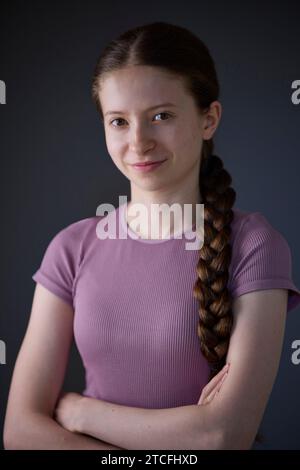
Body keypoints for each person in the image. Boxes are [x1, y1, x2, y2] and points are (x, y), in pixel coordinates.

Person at [4, 21, 300, 450]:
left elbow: (222, 435)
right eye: (119, 121)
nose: (138, 142)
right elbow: (20, 431)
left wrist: (82, 412)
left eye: (161, 116)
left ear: (208, 119)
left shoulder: (255, 246)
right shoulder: (71, 248)